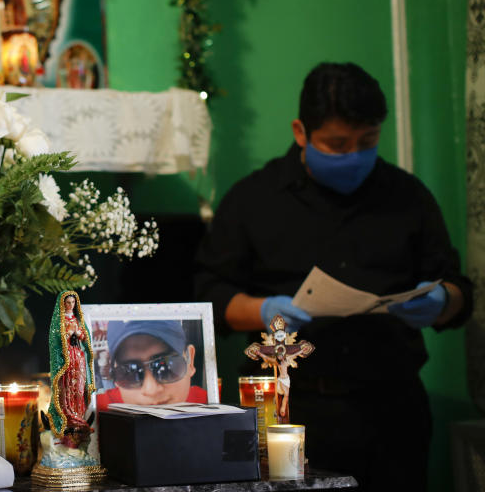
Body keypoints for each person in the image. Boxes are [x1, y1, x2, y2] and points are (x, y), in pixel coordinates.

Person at [194, 62, 473, 492]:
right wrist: (263, 311)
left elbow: (458, 289)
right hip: (290, 411)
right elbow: (209, 295)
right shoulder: (254, 198)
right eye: (337, 144)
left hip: (393, 408)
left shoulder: (407, 195)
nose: (353, 156)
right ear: (301, 132)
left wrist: (440, 301)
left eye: (368, 142)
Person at [95, 320, 207, 410]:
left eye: (167, 367)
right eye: (129, 372)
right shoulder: (97, 410)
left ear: (190, 361)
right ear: (115, 378)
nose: (151, 390)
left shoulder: (207, 404)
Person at [46, 291, 95, 449]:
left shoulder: (77, 319)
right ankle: (67, 418)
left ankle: (78, 417)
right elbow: (56, 341)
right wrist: (68, 333)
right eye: (68, 302)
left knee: (79, 388)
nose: (71, 305)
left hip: (78, 358)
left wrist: (78, 333)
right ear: (63, 303)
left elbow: (84, 337)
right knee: (67, 388)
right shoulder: (59, 321)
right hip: (66, 361)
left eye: (73, 302)